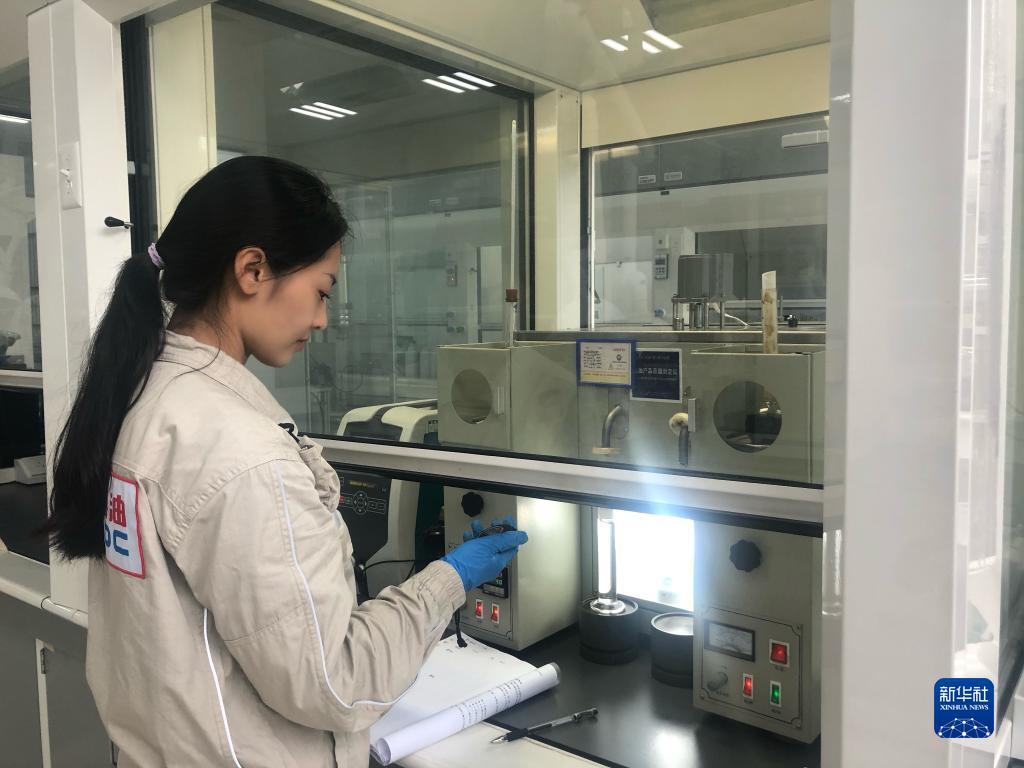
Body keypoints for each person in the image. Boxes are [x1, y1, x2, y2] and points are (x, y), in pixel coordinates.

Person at [44, 156, 528, 767]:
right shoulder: (240, 452)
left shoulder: (144, 395)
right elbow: (335, 682)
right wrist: (447, 581)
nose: (322, 319)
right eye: (321, 290)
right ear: (252, 269)